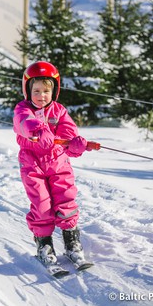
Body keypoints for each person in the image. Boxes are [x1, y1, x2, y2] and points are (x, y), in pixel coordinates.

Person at [13, 61, 92, 268]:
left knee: (66, 199)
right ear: (27, 90)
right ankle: (44, 245)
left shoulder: (59, 110)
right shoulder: (23, 109)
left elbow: (68, 132)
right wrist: (38, 130)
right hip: (33, 164)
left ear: (54, 91)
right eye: (36, 91)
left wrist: (74, 144)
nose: (41, 96)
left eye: (46, 91)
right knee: (42, 204)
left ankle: (71, 241)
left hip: (58, 163)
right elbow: (23, 123)